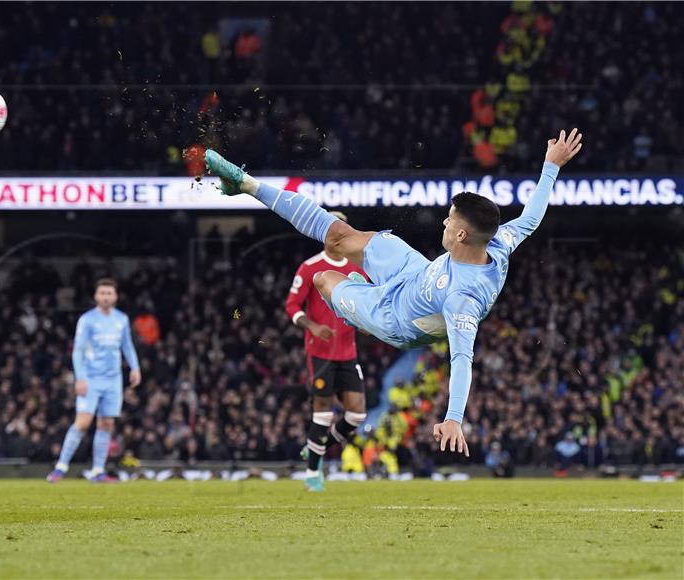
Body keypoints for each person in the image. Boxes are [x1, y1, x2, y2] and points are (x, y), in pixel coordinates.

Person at [204, 128, 583, 458]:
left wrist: (453, 420)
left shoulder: (463, 299)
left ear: (462, 235)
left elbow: (462, 358)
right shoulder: (498, 242)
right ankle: (244, 184)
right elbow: (531, 219)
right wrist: (551, 165)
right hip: (415, 272)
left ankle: (355, 306)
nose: (445, 222)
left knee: (323, 279)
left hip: (396, 317)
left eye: (450, 219)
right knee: (338, 234)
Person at [284, 211, 368, 492]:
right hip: (320, 352)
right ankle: (312, 474)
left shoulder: (357, 270)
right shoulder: (309, 268)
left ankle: (315, 448)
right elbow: (292, 306)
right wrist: (312, 326)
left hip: (348, 352)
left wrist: (369, 324)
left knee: (356, 415)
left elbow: (367, 305)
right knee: (322, 413)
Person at [47, 278, 141, 483]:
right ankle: (60, 468)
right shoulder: (87, 320)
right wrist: (80, 378)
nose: (106, 296)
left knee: (106, 424)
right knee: (82, 423)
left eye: (109, 293)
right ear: (96, 296)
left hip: (113, 380)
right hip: (91, 378)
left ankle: (98, 471)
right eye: (102, 293)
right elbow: (78, 350)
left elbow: (127, 345)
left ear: (115, 296)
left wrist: (135, 367)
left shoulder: (121, 319)